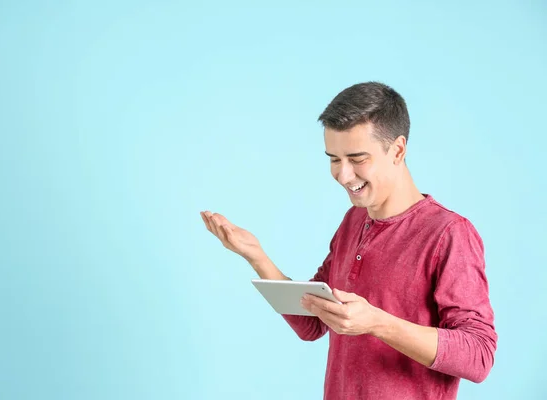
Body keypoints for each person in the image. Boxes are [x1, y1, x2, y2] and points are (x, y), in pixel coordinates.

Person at [199, 82, 497, 400]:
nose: (342, 175)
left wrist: (378, 323)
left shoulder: (449, 233)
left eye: (356, 159)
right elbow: (312, 324)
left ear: (397, 150)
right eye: (333, 159)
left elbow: (478, 356)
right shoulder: (353, 221)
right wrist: (256, 255)